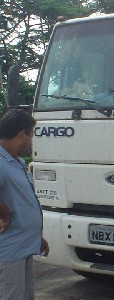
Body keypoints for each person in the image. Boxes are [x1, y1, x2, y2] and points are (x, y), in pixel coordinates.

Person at [0, 108, 49, 300]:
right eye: (31, 135)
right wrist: (3, 213)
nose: (31, 141)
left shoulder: (16, 161)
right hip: (9, 252)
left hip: (25, 246)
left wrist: (37, 236)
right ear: (22, 134)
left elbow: (22, 201)